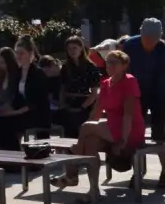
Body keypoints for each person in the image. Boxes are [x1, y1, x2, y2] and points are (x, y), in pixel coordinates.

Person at [61, 48, 146, 190]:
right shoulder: (106, 83)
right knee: (89, 142)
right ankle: (93, 190)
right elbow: (96, 112)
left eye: (114, 62)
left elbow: (128, 115)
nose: (110, 66)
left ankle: (72, 170)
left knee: (86, 127)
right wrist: (90, 128)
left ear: (124, 65)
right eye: (107, 63)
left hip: (130, 129)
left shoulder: (129, 81)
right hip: (111, 127)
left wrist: (123, 140)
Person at [122, 18, 165, 189]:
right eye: (147, 37)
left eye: (153, 38)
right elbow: (121, 71)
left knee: (159, 134)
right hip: (136, 94)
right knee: (136, 134)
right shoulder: (130, 46)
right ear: (141, 34)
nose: (149, 41)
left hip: (158, 94)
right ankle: (138, 171)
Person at [0, 37, 52, 150]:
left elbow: (35, 103)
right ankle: (7, 158)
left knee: (6, 125)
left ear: (30, 54)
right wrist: (3, 109)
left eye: (22, 53)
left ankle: (14, 160)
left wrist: (12, 113)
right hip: (21, 112)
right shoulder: (17, 73)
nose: (18, 56)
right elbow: (15, 97)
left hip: (36, 114)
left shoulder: (38, 74)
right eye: (17, 53)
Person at [57, 36, 103, 139]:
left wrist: (82, 107)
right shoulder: (66, 67)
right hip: (69, 103)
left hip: (85, 103)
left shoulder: (91, 67)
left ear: (81, 48)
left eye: (74, 48)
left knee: (82, 132)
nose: (72, 51)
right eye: (69, 49)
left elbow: (94, 93)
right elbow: (62, 88)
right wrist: (62, 103)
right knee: (68, 132)